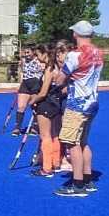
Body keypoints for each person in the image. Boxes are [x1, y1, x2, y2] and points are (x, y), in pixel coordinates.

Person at [54, 21, 103, 197]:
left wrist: (58, 75)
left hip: (77, 104)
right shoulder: (98, 53)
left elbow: (61, 79)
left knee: (71, 142)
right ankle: (87, 179)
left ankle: (77, 184)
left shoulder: (74, 55)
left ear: (75, 34)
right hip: (92, 101)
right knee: (83, 141)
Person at [28, 45, 64, 178]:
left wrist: (31, 101)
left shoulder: (49, 69)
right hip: (56, 103)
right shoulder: (58, 68)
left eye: (38, 55)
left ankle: (47, 168)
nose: (37, 58)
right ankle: (56, 163)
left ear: (45, 54)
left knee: (45, 136)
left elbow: (43, 92)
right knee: (55, 134)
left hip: (46, 104)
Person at [12, 47, 44, 136]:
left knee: (34, 106)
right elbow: (23, 72)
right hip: (25, 84)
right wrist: (20, 84)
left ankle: (35, 127)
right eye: (25, 52)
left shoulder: (39, 60)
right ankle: (17, 127)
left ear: (33, 52)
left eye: (28, 52)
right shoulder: (23, 61)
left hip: (36, 83)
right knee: (21, 106)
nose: (27, 54)